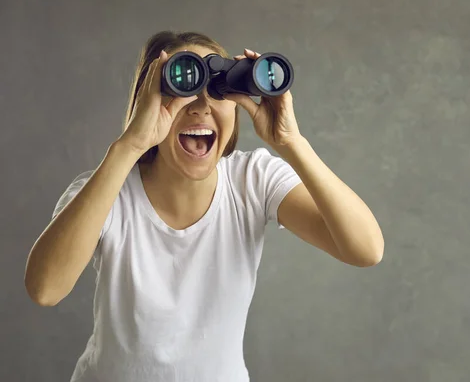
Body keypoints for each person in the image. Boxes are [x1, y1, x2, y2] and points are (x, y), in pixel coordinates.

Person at [24, 30, 384, 382]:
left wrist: (291, 142)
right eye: (182, 88)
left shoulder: (252, 179)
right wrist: (129, 145)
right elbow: (45, 289)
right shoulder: (106, 189)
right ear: (146, 105)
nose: (201, 106)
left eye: (218, 88)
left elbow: (365, 249)